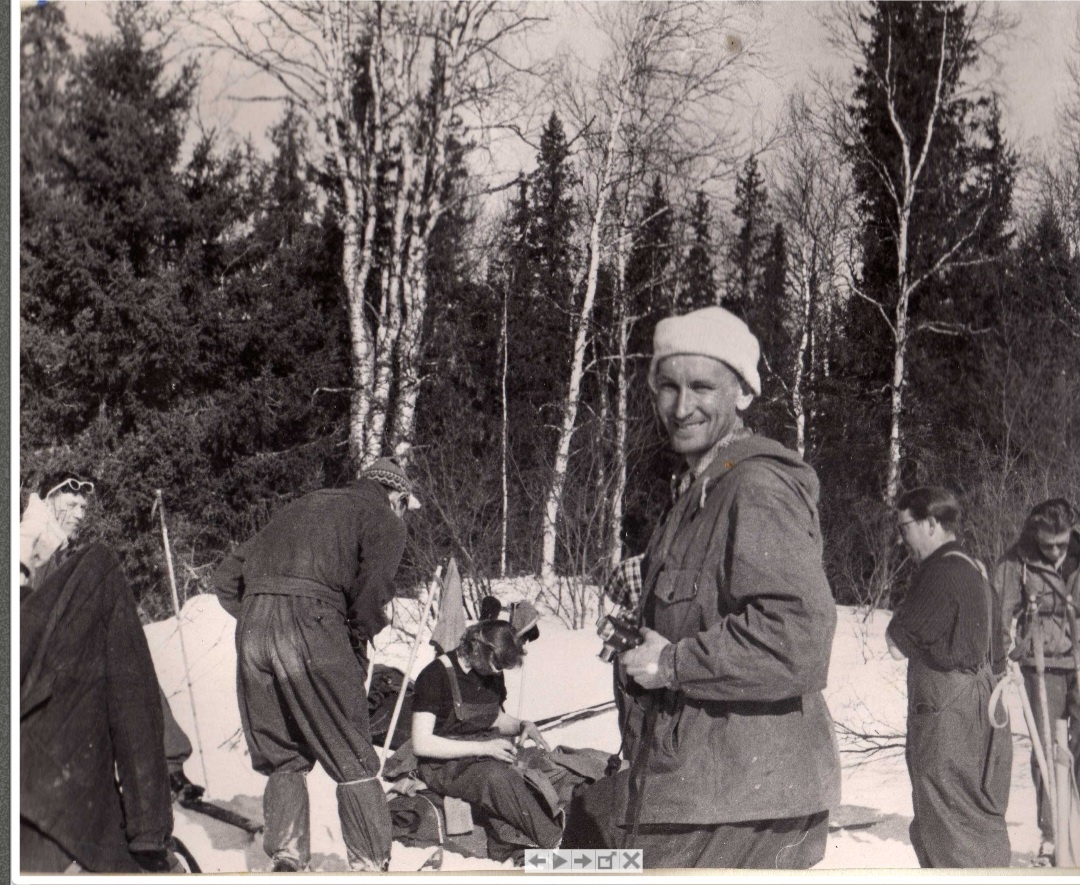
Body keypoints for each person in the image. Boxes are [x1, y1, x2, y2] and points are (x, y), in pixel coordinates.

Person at [566, 305, 841, 869]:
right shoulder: (697, 496)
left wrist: (672, 663)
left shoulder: (757, 485)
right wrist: (643, 629)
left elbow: (798, 638)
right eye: (668, 386)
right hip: (696, 792)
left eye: (702, 386)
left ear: (742, 392)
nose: (682, 405)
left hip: (739, 803)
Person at [211, 457, 418, 873]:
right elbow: (374, 588)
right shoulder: (384, 517)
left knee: (282, 752)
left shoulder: (307, 504)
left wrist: (260, 613)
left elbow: (226, 574)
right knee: (351, 750)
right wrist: (353, 635)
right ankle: (370, 862)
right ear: (397, 496)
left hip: (253, 627)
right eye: (405, 507)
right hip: (312, 624)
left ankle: (287, 855)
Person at [20, 471, 206, 807]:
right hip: (42, 669)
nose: (80, 513)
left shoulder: (57, 545)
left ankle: (166, 765)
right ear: (51, 501)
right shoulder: (34, 538)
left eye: (83, 506)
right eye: (72, 504)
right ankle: (161, 768)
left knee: (132, 668)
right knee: (127, 670)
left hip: (63, 656)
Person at [21, 533, 176, 873]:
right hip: (60, 826)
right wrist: (150, 831)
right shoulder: (89, 576)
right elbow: (133, 692)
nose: (78, 511)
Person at [887, 486, 1012, 868]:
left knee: (947, 829)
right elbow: (1000, 651)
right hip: (983, 718)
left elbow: (898, 641)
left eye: (905, 526)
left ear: (930, 524)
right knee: (973, 818)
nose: (901, 537)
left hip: (947, 721)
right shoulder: (976, 569)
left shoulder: (940, 573)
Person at [408, 621, 564, 863]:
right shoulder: (434, 676)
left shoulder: (491, 673)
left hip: (482, 749)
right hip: (442, 765)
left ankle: (522, 846)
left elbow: (495, 717)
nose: (498, 672)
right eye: (496, 665)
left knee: (547, 765)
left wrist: (522, 725)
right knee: (496, 778)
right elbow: (421, 743)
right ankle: (560, 847)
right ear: (479, 649)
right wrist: (484, 748)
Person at [993, 498, 1080, 864]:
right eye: (1049, 545)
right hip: (1043, 664)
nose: (1057, 551)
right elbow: (999, 610)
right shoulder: (1019, 560)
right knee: (1049, 748)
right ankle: (1052, 833)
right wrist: (1002, 654)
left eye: (1062, 543)